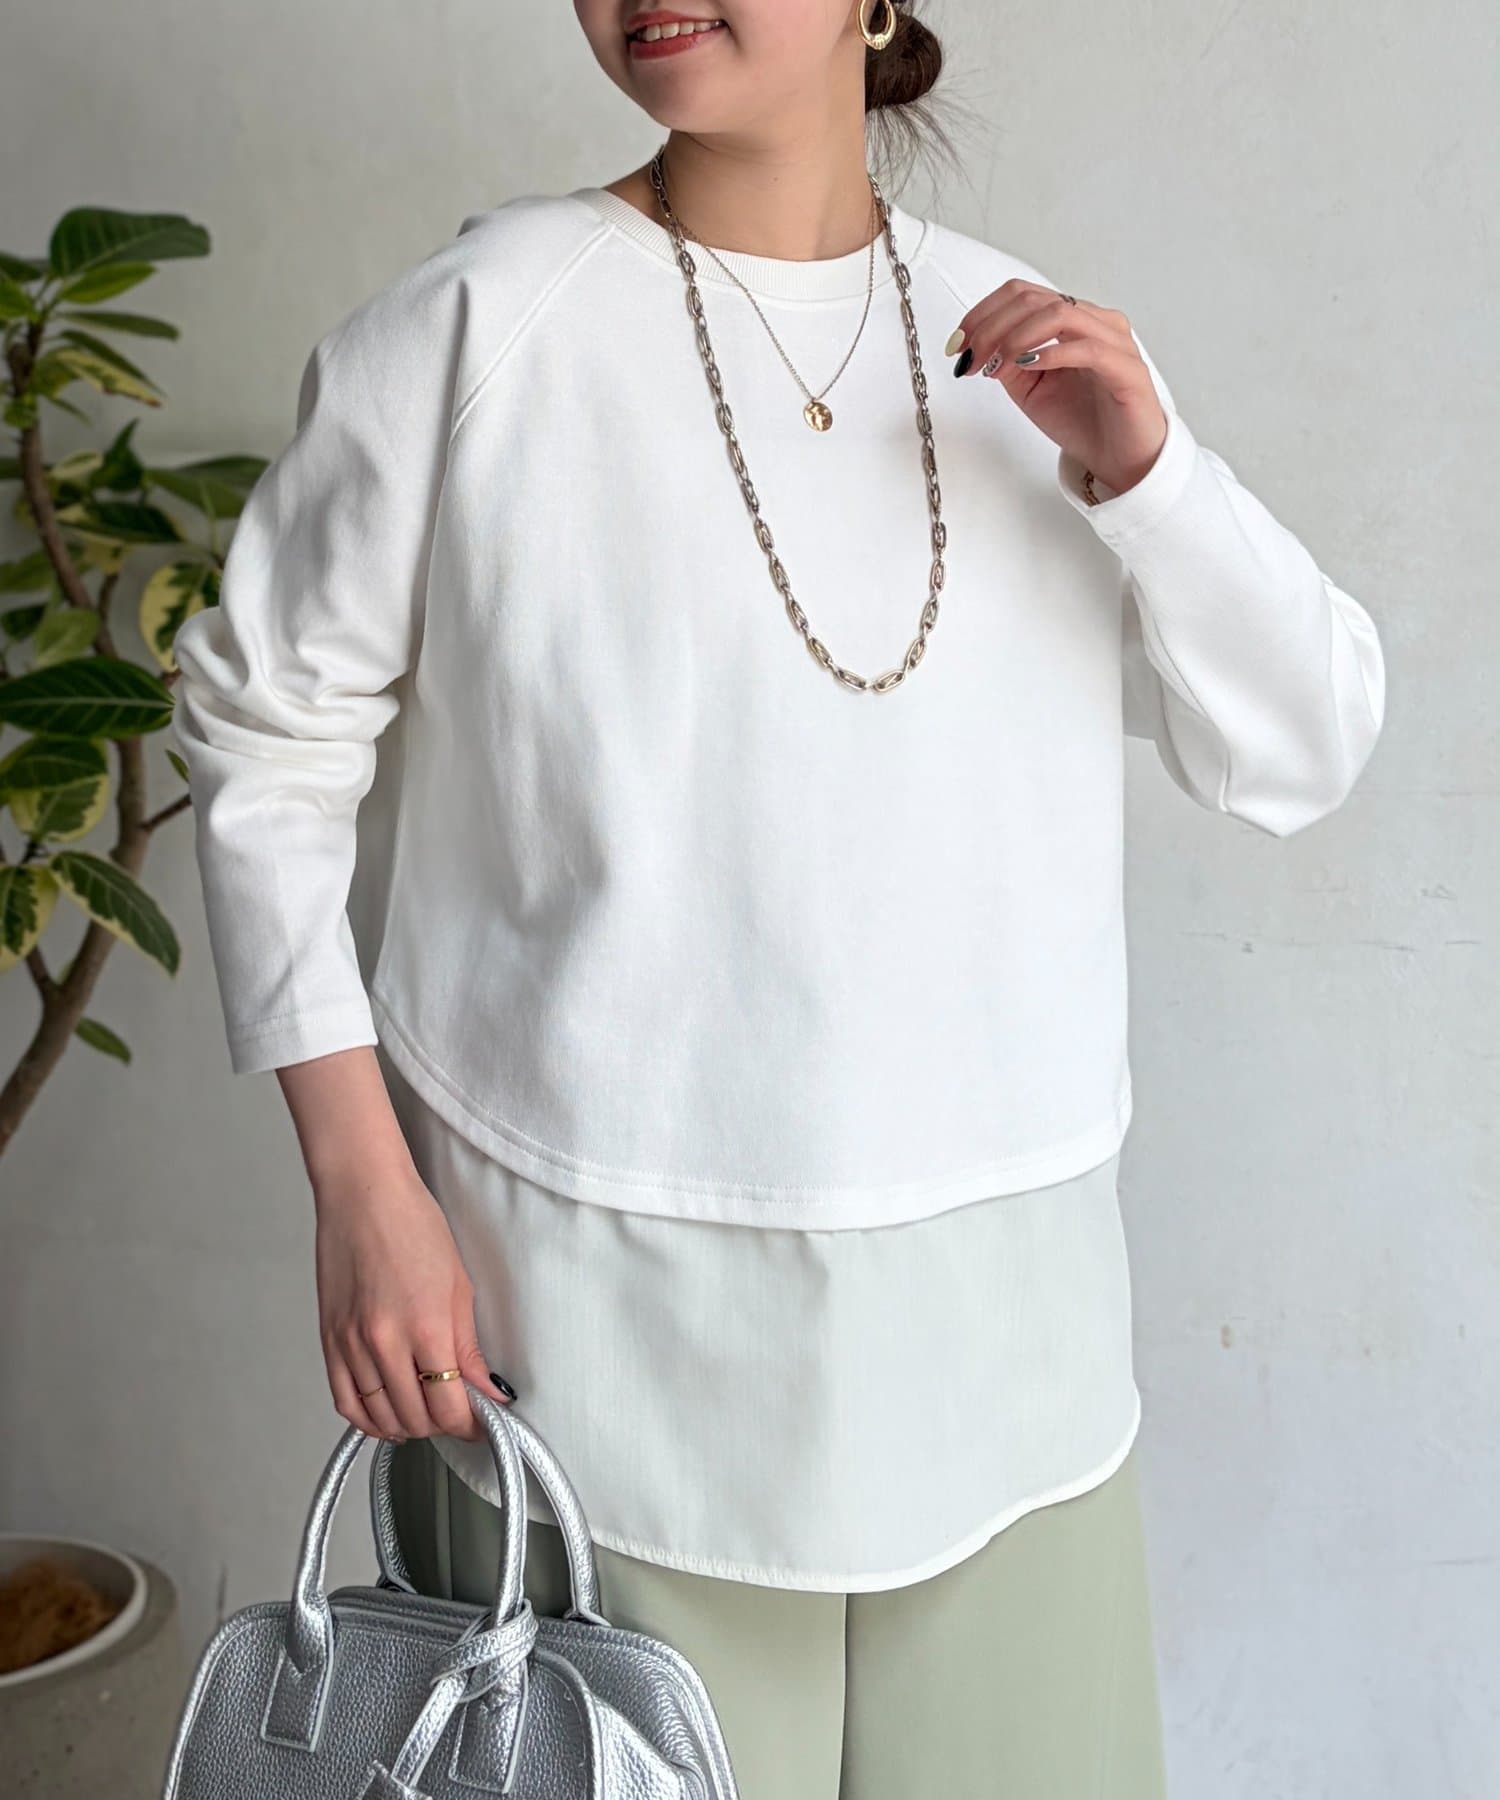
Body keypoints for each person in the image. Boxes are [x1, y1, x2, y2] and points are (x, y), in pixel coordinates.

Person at [170, 2, 1386, 1794]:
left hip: (1009, 1362)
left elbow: (1302, 742)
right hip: (582, 1351)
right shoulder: (478, 326)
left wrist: (1152, 478)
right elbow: (267, 735)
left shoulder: (1022, 351)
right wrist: (360, 1185)